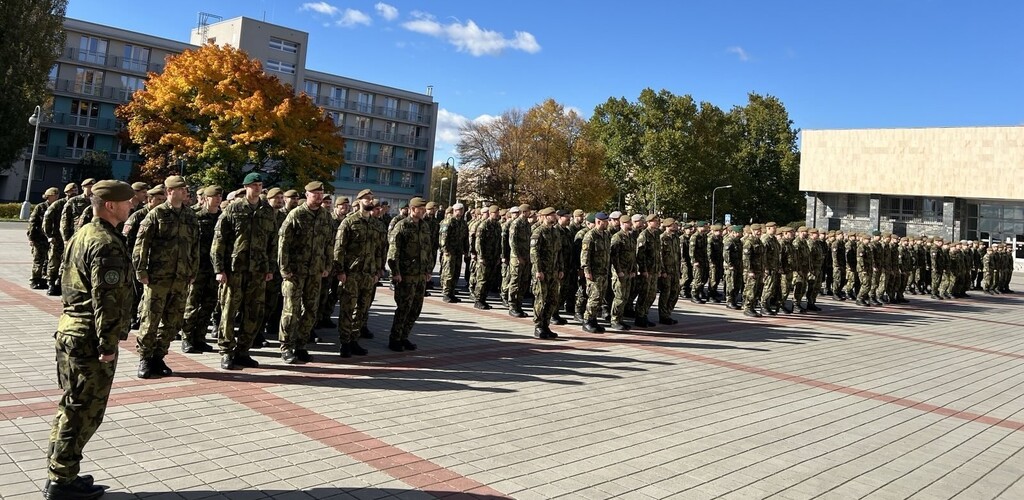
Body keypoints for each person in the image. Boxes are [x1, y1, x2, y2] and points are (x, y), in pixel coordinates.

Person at [44, 180, 136, 500]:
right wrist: (108, 346)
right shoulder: (105, 243)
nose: (132, 205)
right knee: (84, 410)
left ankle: (62, 472)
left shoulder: (83, 233)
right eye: (126, 201)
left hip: (71, 330)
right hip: (89, 339)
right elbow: (106, 301)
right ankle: (62, 482)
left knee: (71, 405)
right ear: (110, 205)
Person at [132, 175, 199, 378]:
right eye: (181, 189)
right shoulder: (156, 214)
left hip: (181, 278)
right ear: (170, 192)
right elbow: (141, 244)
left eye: (186, 189)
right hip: (158, 278)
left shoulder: (190, 216)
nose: (186, 192)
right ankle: (145, 358)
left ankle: (158, 356)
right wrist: (141, 270)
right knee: (150, 320)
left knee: (173, 321)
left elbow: (194, 246)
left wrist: (192, 270)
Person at [212, 172, 277, 370]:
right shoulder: (233, 209)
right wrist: (219, 268)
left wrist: (270, 267)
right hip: (235, 270)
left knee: (253, 312)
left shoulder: (267, 210)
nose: (258, 188)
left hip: (258, 270)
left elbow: (273, 242)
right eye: (254, 185)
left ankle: (243, 351)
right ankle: (226, 351)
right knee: (230, 311)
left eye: (260, 184)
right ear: (246, 187)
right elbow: (219, 240)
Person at [277, 182, 333, 364]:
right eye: (314, 193)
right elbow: (283, 243)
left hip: (315, 271)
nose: (318, 196)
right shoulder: (296, 214)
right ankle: (286, 347)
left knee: (310, 311)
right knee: (291, 310)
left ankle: (301, 345)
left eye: (321, 193)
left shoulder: (325, 216)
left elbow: (329, 244)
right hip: (295, 272)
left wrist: (327, 265)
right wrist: (284, 268)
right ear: (307, 194)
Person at [334, 189, 379, 358]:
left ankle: (354, 339)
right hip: (351, 274)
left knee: (362, 309)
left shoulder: (375, 224)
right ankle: (345, 343)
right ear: (359, 201)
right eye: (367, 198)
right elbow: (339, 248)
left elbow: (380, 249)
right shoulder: (349, 222)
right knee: (347, 309)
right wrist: (340, 271)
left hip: (368, 274)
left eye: (371, 198)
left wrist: (378, 271)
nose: (370, 201)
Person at [387, 197, 432, 351]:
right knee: (404, 308)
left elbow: (428, 249)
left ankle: (404, 336)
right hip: (406, 275)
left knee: (416, 308)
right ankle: (395, 339)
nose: (424, 211)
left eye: (424, 208)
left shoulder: (424, 226)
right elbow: (393, 252)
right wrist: (395, 272)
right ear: (413, 209)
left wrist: (428, 270)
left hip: (420, 275)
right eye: (421, 208)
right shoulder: (402, 226)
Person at [181, 186, 222, 353]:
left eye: (220, 196)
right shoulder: (195, 217)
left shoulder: (222, 217)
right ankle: (187, 337)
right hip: (197, 267)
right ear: (205, 198)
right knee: (192, 304)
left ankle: (200, 337)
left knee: (209, 303)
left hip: (214, 268)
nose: (218, 199)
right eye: (214, 196)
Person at [530, 207, 563, 339]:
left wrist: (561, 268)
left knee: (553, 299)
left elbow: (559, 252)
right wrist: (538, 270)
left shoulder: (555, 232)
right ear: (545, 216)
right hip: (542, 272)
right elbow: (534, 253)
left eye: (555, 214)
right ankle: (538, 326)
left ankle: (546, 325)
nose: (554, 217)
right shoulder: (539, 232)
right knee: (540, 299)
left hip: (553, 271)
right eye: (552, 215)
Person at [43, 183, 79, 295]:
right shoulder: (59, 204)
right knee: (54, 261)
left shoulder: (78, 203)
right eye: (71, 191)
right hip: (58, 239)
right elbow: (47, 219)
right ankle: (51, 284)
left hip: (73, 238)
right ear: (66, 192)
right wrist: (49, 235)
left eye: (76, 190)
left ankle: (61, 283)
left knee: (67, 262)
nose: (74, 192)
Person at [580, 212, 611, 333]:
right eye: (605, 221)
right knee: (594, 297)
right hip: (594, 272)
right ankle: (587, 320)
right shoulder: (590, 235)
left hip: (604, 271)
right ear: (599, 222)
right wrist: (587, 270)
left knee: (601, 297)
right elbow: (585, 256)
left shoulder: (606, 235)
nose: (607, 223)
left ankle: (594, 320)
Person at [608, 215, 637, 331]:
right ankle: (615, 320)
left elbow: (633, 255)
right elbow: (614, 257)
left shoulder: (630, 236)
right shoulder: (617, 237)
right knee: (619, 297)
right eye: (628, 223)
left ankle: (620, 318)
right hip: (620, 272)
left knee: (625, 297)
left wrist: (634, 269)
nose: (630, 224)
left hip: (628, 271)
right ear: (622, 224)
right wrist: (619, 271)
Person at [28, 187, 59, 289]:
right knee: (38, 260)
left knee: (47, 260)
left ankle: (43, 279)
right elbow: (32, 223)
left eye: (57, 195)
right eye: (54, 195)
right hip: (39, 238)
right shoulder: (40, 207)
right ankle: (35, 279)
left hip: (50, 239)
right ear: (48, 196)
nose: (56, 197)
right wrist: (31, 238)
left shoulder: (57, 207)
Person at [439, 202, 469, 302]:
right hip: (450, 251)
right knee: (448, 272)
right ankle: (446, 293)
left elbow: (465, 238)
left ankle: (452, 292)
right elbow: (443, 236)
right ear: (454, 211)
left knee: (456, 272)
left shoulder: (463, 223)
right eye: (457, 210)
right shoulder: (448, 221)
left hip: (458, 251)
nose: (459, 212)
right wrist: (445, 250)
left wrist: (465, 249)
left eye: (461, 210)